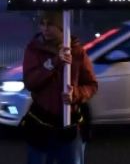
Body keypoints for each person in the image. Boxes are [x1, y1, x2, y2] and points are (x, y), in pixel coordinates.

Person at [22, 10, 98, 164]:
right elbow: (30, 82)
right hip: (41, 124)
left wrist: (75, 94)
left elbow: (92, 85)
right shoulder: (34, 49)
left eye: (50, 25)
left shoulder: (77, 52)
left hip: (70, 124)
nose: (45, 29)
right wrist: (53, 63)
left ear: (62, 27)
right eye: (42, 24)